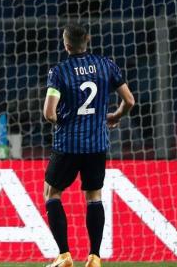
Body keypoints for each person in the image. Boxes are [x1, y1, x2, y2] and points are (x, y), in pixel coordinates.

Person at [42, 24, 135, 267]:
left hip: (68, 145)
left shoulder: (59, 72)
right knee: (94, 196)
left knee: (52, 193)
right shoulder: (107, 65)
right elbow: (129, 100)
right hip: (97, 144)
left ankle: (64, 255)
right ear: (88, 40)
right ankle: (94, 256)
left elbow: (49, 113)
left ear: (66, 44)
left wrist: (64, 120)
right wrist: (115, 116)